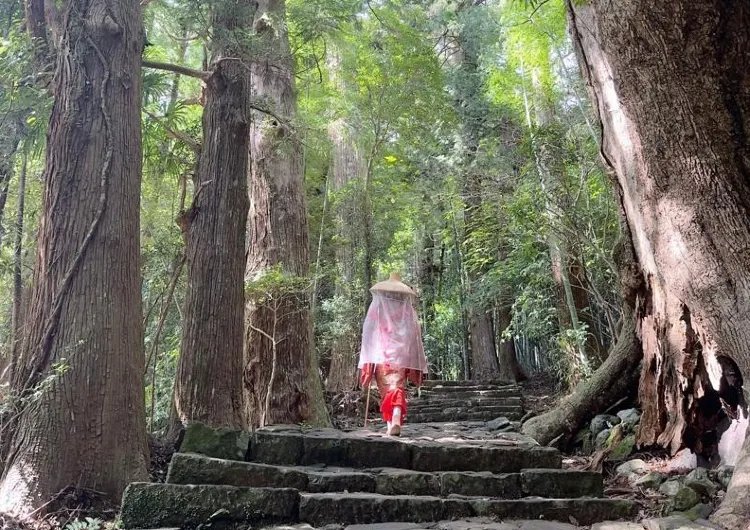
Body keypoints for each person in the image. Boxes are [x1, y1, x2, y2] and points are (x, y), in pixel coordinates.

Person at [359, 272, 428, 436]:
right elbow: (414, 334)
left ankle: (393, 421)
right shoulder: (408, 312)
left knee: (386, 390)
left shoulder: (377, 308)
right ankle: (393, 421)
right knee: (397, 387)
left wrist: (368, 358)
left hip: (381, 355)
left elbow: (368, 331)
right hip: (401, 356)